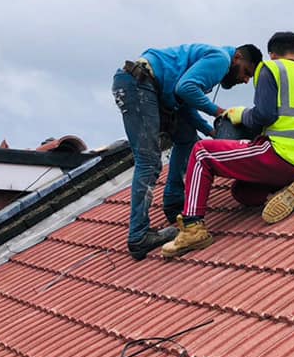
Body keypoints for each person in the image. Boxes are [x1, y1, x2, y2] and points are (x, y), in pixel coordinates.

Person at [160, 30, 294, 257]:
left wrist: (240, 114)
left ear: (272, 55)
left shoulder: (271, 69)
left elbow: (264, 116)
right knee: (241, 191)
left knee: (202, 152)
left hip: (279, 155)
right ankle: (279, 193)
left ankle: (192, 227)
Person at [112, 43, 262, 260]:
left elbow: (185, 103)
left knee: (187, 139)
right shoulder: (221, 59)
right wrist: (220, 112)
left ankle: (174, 202)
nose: (246, 80)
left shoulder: (211, 61)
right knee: (149, 161)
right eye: (246, 72)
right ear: (237, 57)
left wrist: (211, 131)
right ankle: (139, 236)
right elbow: (186, 89)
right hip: (140, 85)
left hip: (147, 86)